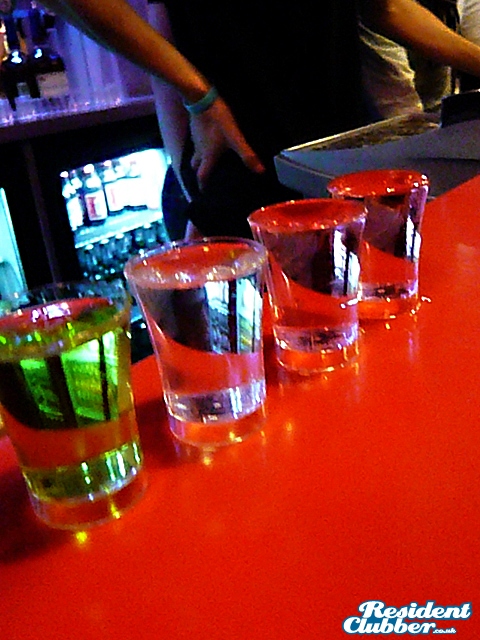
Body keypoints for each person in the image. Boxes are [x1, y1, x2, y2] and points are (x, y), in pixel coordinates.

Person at [33, 0, 480, 237]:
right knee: (245, 363)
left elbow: (387, 7)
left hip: (332, 162)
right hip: (242, 164)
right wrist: (198, 96)